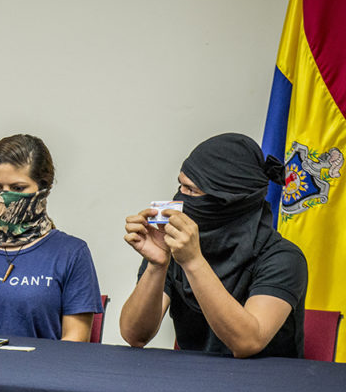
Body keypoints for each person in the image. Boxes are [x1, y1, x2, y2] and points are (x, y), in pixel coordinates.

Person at [119, 133, 307, 358]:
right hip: (192, 381)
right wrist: (157, 265)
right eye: (181, 186)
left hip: (264, 385)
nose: (181, 199)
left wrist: (193, 261)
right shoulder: (174, 244)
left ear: (229, 200)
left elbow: (247, 343)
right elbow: (135, 335)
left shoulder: (282, 258)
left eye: (193, 191)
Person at [0, 134, 102, 341]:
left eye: (17, 189)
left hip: (42, 371)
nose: (4, 197)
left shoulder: (72, 253)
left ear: (43, 189)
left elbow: (75, 342)